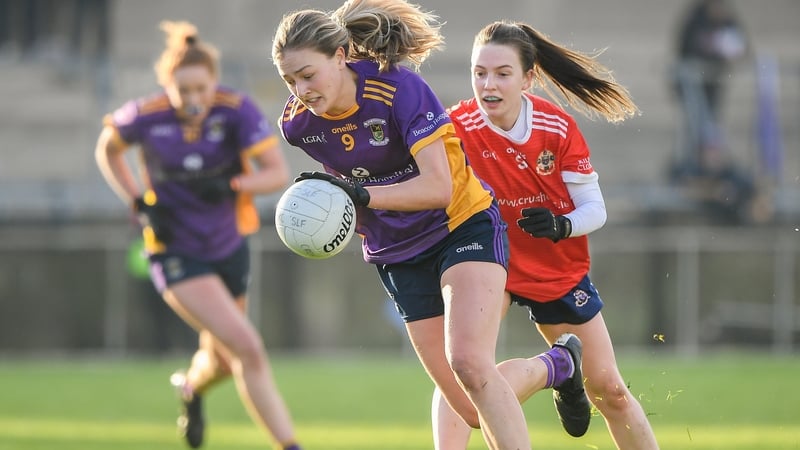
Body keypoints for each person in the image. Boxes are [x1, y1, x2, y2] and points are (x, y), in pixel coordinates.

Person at [270, 1, 587, 448]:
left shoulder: (397, 89)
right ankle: (558, 366)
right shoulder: (298, 124)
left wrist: (360, 196)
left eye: (307, 74)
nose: (300, 89)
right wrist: (331, 212)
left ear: (341, 56)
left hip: (460, 225)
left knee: (470, 364)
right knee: (469, 408)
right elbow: (351, 178)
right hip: (396, 251)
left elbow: (438, 187)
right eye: (289, 80)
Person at [433, 20, 661, 449]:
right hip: (489, 261)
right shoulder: (455, 126)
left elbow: (596, 208)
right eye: (479, 72)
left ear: (528, 78)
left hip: (555, 268)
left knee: (609, 390)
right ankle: (554, 368)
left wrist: (562, 226)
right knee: (462, 371)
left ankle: (561, 368)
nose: (488, 84)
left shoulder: (555, 128)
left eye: (502, 73)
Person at [94, 20, 302, 450]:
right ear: (166, 87)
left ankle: (190, 388)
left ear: (213, 82)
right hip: (176, 251)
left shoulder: (236, 110)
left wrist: (232, 185)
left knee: (224, 360)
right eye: (181, 91)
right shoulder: (146, 116)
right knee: (248, 347)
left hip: (230, 246)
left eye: (200, 89)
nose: (192, 100)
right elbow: (108, 149)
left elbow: (277, 175)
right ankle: (291, 445)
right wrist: (138, 201)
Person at [671, 0, 756, 223]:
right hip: (693, 86)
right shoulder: (695, 19)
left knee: (708, 126)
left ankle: (708, 153)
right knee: (700, 125)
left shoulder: (728, 19)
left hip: (714, 87)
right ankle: (704, 154)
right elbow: (684, 51)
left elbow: (744, 48)